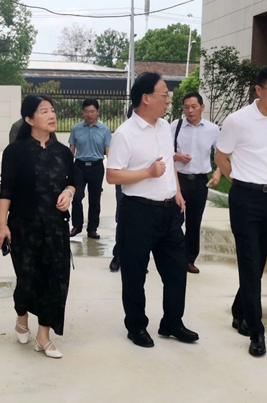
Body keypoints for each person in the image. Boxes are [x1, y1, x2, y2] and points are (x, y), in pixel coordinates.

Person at [106, 72, 199, 348]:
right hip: (138, 212)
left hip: (169, 213)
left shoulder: (164, 127)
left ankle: (172, 322)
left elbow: (168, 164)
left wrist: (177, 192)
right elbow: (112, 175)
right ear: (146, 98)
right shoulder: (125, 133)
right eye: (164, 95)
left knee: (176, 271)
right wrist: (147, 172)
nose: (168, 100)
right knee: (135, 273)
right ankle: (136, 326)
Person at [215, 64, 267, 358]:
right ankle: (256, 330)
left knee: (258, 260)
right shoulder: (238, 121)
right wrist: (239, 180)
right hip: (245, 198)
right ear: (259, 90)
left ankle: (240, 311)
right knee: (249, 262)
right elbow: (221, 156)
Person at [0, 95, 75, 359]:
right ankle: (21, 316)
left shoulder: (63, 152)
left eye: (52, 110)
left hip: (55, 227)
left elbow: (74, 180)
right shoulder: (15, 152)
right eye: (44, 111)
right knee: (27, 279)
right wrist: (1, 225)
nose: (52, 115)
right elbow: (6, 189)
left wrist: (69, 192)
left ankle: (43, 336)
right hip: (23, 227)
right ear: (29, 119)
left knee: (55, 279)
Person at [171, 92, 221, 274]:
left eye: (194, 106)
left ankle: (189, 259)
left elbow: (222, 153)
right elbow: (164, 151)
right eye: (186, 107)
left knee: (194, 222)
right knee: (175, 220)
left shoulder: (212, 129)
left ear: (202, 107)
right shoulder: (175, 126)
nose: (190, 110)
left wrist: (218, 170)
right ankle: (175, 256)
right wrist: (177, 156)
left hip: (200, 181)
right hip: (179, 180)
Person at [68, 99, 112, 239]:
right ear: (83, 112)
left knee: (95, 199)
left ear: (98, 112)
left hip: (96, 166)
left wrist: (112, 167)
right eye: (86, 111)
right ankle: (77, 226)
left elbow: (108, 150)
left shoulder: (105, 130)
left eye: (92, 111)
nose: (89, 114)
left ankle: (92, 229)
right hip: (79, 166)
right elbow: (71, 149)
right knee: (77, 197)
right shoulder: (76, 129)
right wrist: (67, 167)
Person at [109, 104, 134, 273]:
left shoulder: (157, 133)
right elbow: (114, 171)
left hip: (146, 186)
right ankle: (118, 255)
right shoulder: (123, 134)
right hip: (125, 185)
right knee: (123, 220)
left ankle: (136, 258)